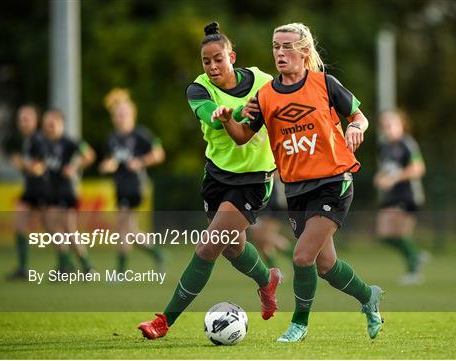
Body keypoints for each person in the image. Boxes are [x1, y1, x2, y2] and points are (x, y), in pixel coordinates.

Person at [213, 22, 383, 342]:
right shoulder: (264, 95)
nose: (280, 52)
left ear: (304, 51)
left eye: (287, 46)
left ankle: (299, 325)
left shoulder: (325, 83)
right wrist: (226, 121)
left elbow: (359, 116)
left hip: (333, 181)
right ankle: (368, 298)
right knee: (326, 266)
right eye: (276, 46)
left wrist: (356, 127)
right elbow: (241, 137)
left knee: (302, 257)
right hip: (296, 188)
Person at [138, 22, 281, 340]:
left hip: (253, 180)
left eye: (219, 58)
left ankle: (164, 320)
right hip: (216, 177)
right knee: (232, 248)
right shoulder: (197, 88)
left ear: (232, 55)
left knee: (207, 247)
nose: (213, 66)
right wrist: (223, 114)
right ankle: (266, 280)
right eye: (207, 61)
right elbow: (209, 116)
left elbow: (282, 111)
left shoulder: (263, 81)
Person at [100, 88, 166, 273]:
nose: (119, 117)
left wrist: (140, 162)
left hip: (136, 184)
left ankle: (121, 272)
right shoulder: (112, 138)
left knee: (122, 226)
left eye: (123, 113)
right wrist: (107, 165)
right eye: (117, 114)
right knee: (129, 230)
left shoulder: (140, 134)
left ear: (132, 114)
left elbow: (159, 153)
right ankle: (157, 254)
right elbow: (110, 160)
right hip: (120, 185)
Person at [374, 110, 428, 285]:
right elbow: (386, 170)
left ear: (401, 125)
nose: (387, 128)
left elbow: (418, 168)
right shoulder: (384, 147)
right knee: (385, 234)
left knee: (400, 233)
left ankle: (413, 271)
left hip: (408, 195)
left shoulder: (407, 143)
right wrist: (380, 178)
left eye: (391, 124)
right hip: (391, 196)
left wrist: (394, 179)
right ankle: (415, 254)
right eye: (384, 125)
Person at [41, 109, 96, 273]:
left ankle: (86, 266)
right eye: (47, 124)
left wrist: (74, 166)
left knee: (68, 229)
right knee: (52, 227)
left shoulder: (69, 141)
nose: (49, 127)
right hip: (52, 190)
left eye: (53, 124)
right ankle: (66, 263)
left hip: (66, 190)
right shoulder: (44, 144)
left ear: (61, 124)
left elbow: (89, 154)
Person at [7, 104, 47, 280]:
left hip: (43, 189)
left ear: (36, 121)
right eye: (21, 119)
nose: (23, 122)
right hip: (30, 190)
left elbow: (41, 167)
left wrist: (22, 164)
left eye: (27, 118)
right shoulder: (28, 140)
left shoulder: (39, 139)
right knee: (19, 224)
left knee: (56, 229)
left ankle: (74, 264)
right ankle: (23, 268)